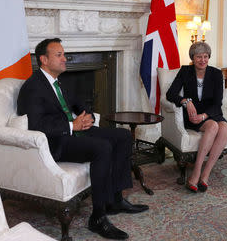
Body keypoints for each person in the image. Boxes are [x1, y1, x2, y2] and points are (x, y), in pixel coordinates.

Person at [17, 38, 148, 240]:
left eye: (64, 54)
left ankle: (115, 200)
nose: (64, 58)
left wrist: (87, 117)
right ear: (43, 59)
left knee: (122, 136)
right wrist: (72, 125)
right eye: (58, 55)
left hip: (75, 133)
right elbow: (36, 126)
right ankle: (98, 217)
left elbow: (80, 105)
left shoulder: (59, 82)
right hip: (55, 143)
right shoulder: (33, 87)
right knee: (102, 147)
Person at [166, 41, 227, 193]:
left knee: (225, 128)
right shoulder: (185, 71)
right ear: (192, 58)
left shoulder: (216, 74)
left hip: (210, 113)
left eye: (206, 56)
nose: (203, 60)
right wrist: (186, 101)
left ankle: (205, 174)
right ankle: (196, 172)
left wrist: (204, 116)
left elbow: (217, 103)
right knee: (213, 126)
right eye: (199, 57)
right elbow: (171, 94)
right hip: (192, 115)